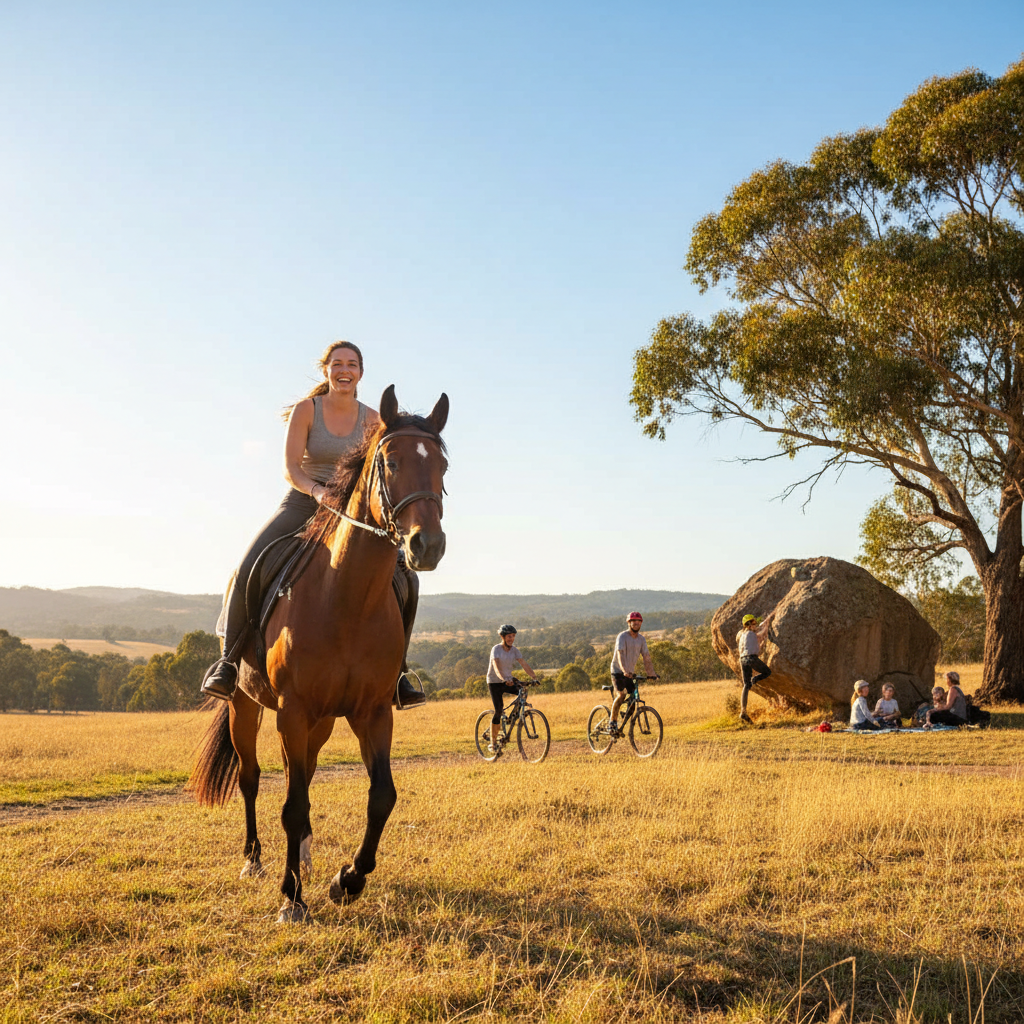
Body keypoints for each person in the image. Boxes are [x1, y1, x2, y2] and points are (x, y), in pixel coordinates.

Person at [200, 341, 424, 708]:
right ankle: (227, 662)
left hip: (354, 515)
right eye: (337, 364)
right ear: (326, 370)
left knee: (406, 578)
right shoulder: (307, 410)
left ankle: (397, 673)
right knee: (247, 566)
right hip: (304, 502)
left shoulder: (373, 419)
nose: (344, 370)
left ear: (360, 373)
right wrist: (317, 491)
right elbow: (290, 468)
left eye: (351, 364)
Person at [486, 625, 539, 753]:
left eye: (513, 636)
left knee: (522, 692)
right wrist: (503, 678)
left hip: (508, 680)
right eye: (509, 636)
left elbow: (524, 664)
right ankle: (493, 743)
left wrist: (534, 677)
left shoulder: (514, 650)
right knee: (498, 710)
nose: (512, 639)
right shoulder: (496, 649)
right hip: (495, 682)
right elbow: (496, 666)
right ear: (503, 637)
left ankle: (511, 717)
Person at [608, 612, 658, 735]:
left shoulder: (641, 639)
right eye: (633, 621)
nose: (636, 623)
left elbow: (646, 656)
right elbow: (620, 654)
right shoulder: (622, 636)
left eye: (639, 621)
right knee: (621, 695)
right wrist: (624, 670)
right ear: (629, 623)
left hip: (630, 673)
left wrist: (651, 673)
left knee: (633, 699)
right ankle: (612, 723)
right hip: (618, 671)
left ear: (641, 623)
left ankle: (622, 723)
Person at [735, 611, 775, 723]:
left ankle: (743, 711)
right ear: (747, 625)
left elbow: (757, 646)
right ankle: (755, 679)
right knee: (767, 672)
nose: (755, 624)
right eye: (753, 623)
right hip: (751, 658)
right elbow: (763, 633)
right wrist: (769, 622)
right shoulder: (751, 634)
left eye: (755, 622)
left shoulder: (742, 635)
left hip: (742, 660)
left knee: (746, 685)